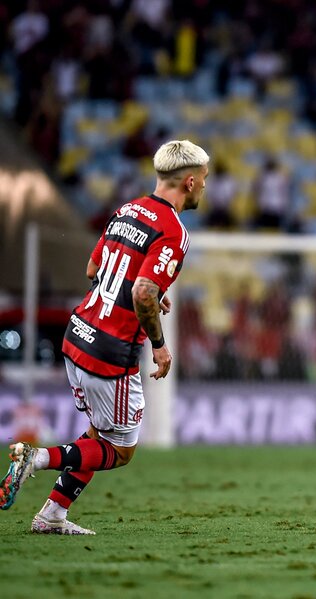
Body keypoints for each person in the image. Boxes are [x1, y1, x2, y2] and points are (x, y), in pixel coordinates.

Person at [0, 140, 210, 534]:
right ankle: (36, 459)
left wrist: (142, 292)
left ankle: (51, 516)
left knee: (99, 432)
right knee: (120, 450)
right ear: (191, 182)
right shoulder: (174, 231)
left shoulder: (127, 210)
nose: (205, 188)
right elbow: (143, 291)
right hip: (109, 353)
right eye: (205, 181)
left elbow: (93, 266)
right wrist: (161, 347)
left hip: (77, 334)